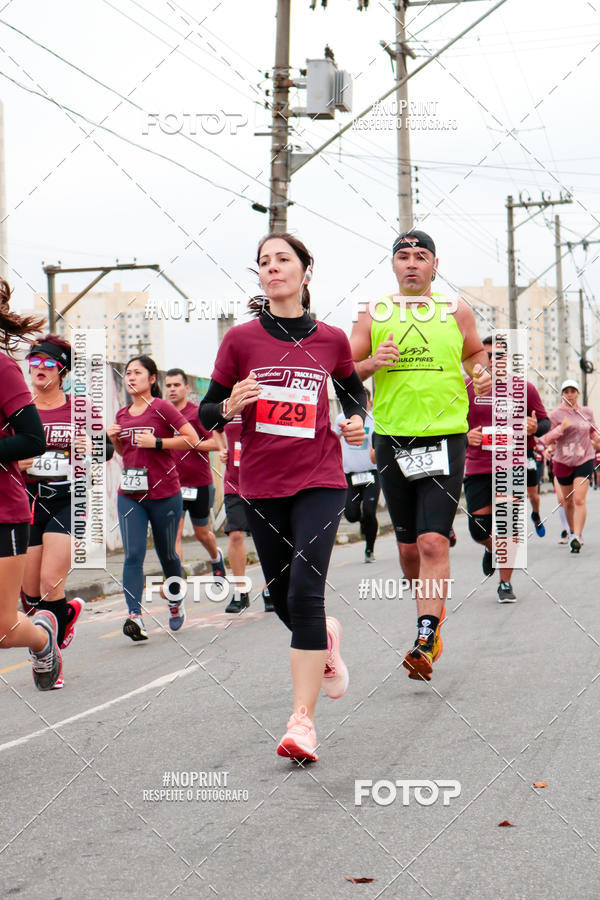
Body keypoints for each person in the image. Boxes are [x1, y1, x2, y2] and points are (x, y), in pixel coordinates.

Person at [200, 232, 366, 762]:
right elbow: (205, 412)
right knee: (284, 601)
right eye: (264, 263)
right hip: (261, 486)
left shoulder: (332, 339)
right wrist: (229, 404)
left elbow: (350, 389)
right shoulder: (241, 342)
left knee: (303, 593)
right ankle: (326, 644)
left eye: (283, 260)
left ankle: (302, 721)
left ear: (304, 272)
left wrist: (356, 418)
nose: (273, 268)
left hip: (320, 479)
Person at [349, 230, 491, 681]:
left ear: (434, 265)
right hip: (392, 439)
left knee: (433, 541)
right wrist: (374, 363)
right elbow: (345, 370)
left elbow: (474, 355)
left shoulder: (457, 309)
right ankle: (428, 610)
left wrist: (482, 373)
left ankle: (426, 634)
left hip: (446, 436)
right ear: (393, 265)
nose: (412, 263)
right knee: (409, 548)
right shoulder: (374, 313)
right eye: (403, 256)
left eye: (421, 257)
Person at [19, 334, 111, 688]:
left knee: (48, 582)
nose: (39, 368)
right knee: (28, 596)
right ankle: (67, 614)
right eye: (34, 361)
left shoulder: (81, 408)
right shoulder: (18, 408)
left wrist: (89, 447)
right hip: (27, 500)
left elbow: (106, 453)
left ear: (62, 370)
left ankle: (50, 660)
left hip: (69, 499)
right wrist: (29, 460)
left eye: (47, 362)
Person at [107, 356, 200, 640]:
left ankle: (175, 602)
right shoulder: (122, 414)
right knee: (133, 554)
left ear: (151, 380)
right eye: (128, 373)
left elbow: (191, 438)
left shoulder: (163, 408)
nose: (131, 377)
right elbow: (128, 454)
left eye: (137, 373)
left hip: (164, 494)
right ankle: (134, 616)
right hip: (131, 494)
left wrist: (157, 442)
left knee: (167, 554)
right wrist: (115, 441)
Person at [0, 281, 63, 690]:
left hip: (3, 513)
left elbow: (32, 439)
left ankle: (42, 641)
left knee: (3, 629)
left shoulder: (4, 369)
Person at [464, 336, 549, 602]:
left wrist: (536, 428)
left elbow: (544, 423)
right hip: (477, 466)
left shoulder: (525, 388)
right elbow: (451, 426)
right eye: (487, 355)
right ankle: (492, 550)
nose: (492, 360)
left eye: (498, 356)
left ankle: (505, 583)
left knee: (508, 526)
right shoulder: (466, 388)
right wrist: (467, 436)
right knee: (479, 529)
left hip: (511, 464)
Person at [164, 368, 226, 578]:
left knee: (202, 533)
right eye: (169, 385)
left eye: (176, 385)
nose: (172, 389)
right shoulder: (163, 414)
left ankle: (216, 557)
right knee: (175, 535)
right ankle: (175, 580)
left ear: (186, 388)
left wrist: (192, 443)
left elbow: (216, 443)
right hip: (173, 485)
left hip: (200, 484)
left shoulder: (196, 413)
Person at [219, 413, 274, 614]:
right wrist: (221, 449)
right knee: (235, 534)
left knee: (268, 537)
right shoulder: (227, 403)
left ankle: (271, 588)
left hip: (264, 480)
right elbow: (215, 429)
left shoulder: (262, 399)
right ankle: (241, 591)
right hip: (234, 483)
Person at [545, 379, 599, 553]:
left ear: (578, 393)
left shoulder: (587, 412)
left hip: (585, 458)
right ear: (562, 394)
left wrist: (597, 437)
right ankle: (572, 531)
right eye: (566, 391)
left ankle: (577, 536)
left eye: (573, 391)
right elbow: (546, 439)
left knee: (579, 499)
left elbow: (593, 430)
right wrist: (561, 428)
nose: (570, 394)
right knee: (567, 502)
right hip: (563, 461)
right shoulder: (555, 415)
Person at [334, 387, 380, 562]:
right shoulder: (341, 419)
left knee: (369, 512)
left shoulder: (376, 420)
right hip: (349, 474)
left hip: (371, 474)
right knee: (351, 515)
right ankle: (362, 522)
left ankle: (369, 549)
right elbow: (333, 438)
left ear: (369, 402)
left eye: (364, 402)